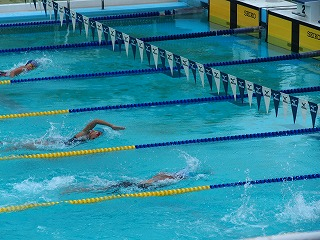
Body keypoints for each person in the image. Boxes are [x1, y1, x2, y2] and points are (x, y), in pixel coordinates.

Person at [63, 169, 190, 194]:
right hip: (136, 187)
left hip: (132, 183)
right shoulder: (169, 179)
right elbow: (155, 186)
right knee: (103, 190)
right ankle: (76, 189)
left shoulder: (163, 174)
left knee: (104, 188)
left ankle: (76, 188)